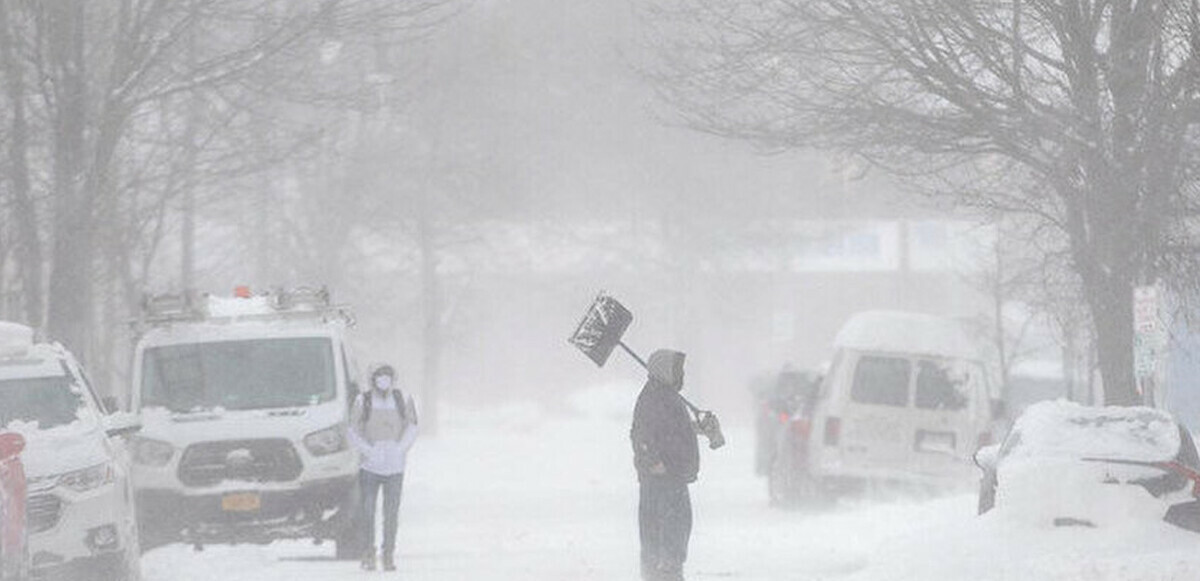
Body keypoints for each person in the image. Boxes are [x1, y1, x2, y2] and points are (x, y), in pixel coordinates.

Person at [630, 349, 699, 581]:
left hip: (672, 475)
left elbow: (671, 430)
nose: (681, 374)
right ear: (664, 371)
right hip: (663, 478)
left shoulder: (666, 396)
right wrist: (654, 462)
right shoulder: (654, 398)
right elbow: (642, 434)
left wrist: (696, 427)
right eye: (677, 370)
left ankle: (666, 571)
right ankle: (663, 574)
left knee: (675, 527)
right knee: (666, 529)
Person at [348, 363, 419, 572]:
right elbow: (353, 429)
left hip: (395, 468)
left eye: (387, 376)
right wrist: (369, 451)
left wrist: (400, 449)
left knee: (391, 513)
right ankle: (368, 553)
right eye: (380, 376)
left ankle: (388, 554)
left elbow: (412, 426)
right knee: (367, 511)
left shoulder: (402, 399)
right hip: (369, 467)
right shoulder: (363, 400)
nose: (383, 380)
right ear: (373, 379)